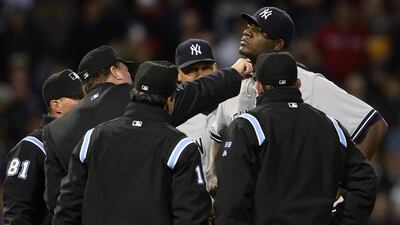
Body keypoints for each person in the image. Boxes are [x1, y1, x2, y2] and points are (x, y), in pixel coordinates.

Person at [43, 45, 252, 216]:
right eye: (125, 68)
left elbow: (58, 201)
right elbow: (196, 91)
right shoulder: (139, 99)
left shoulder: (55, 131)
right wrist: (233, 73)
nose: (129, 74)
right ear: (115, 72)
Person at [207, 6, 388, 195]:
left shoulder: (307, 83)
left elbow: (375, 125)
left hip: (295, 203)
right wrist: (212, 172)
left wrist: (342, 186)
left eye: (259, 30)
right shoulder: (238, 81)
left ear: (278, 44)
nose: (247, 32)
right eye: (249, 26)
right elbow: (217, 134)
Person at [214, 51, 377, 225]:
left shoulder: (248, 126)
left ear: (259, 87)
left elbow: (230, 199)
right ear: (298, 84)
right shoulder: (331, 126)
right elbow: (365, 181)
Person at [53, 60, 211, 225]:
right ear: (169, 102)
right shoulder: (179, 147)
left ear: (133, 94)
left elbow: (67, 208)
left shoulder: (93, 137)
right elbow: (192, 216)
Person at [3, 69, 84, 225]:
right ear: (56, 106)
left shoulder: (85, 140)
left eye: (85, 96)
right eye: (77, 97)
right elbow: (18, 211)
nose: (84, 102)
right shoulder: (31, 147)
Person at [175, 38, 218, 174]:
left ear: (216, 68)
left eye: (206, 68)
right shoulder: (172, 121)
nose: (200, 75)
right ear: (178, 75)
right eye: (190, 70)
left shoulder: (233, 108)